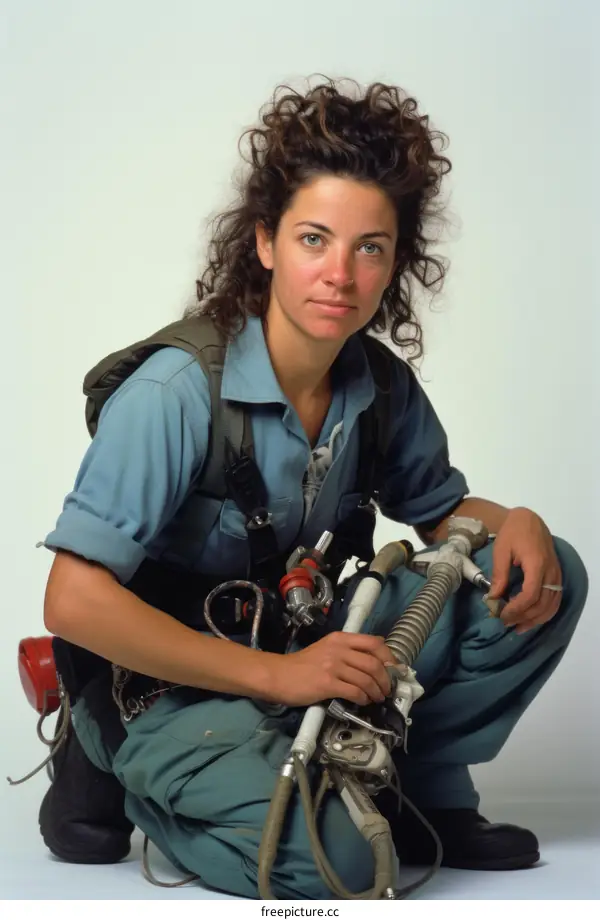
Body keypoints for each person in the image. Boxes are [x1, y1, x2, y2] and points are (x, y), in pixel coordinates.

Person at [36, 77, 588, 900]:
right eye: (314, 239)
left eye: (369, 246)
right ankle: (114, 767)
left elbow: (446, 518)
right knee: (344, 865)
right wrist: (278, 681)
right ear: (264, 243)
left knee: (548, 573)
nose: (341, 273)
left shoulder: (380, 388)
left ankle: (417, 793)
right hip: (168, 686)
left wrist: (520, 520)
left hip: (304, 648)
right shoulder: (174, 395)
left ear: (394, 260)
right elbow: (72, 600)